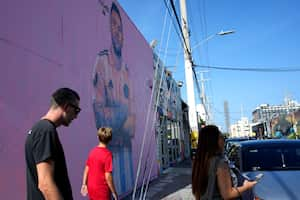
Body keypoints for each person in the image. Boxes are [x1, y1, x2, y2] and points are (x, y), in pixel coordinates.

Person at [92, 2, 135, 194]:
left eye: (120, 28)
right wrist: (123, 115)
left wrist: (115, 113)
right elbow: (99, 116)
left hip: (127, 153)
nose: (117, 31)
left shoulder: (127, 71)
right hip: (111, 151)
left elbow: (132, 125)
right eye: (113, 26)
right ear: (109, 30)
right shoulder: (101, 63)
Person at [25, 87, 81, 200]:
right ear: (66, 106)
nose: (76, 116)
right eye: (76, 110)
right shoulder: (45, 130)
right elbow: (45, 184)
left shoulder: (41, 129)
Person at [192, 125, 256, 200]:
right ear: (214, 141)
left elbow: (197, 193)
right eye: (222, 137)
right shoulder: (220, 163)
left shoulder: (199, 162)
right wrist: (246, 186)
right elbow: (227, 194)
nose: (224, 141)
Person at [81, 127, 118, 200]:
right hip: (102, 190)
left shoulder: (92, 152)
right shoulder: (108, 155)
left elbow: (86, 169)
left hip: (91, 188)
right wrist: (114, 192)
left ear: (98, 137)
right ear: (110, 139)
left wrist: (84, 184)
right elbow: (108, 176)